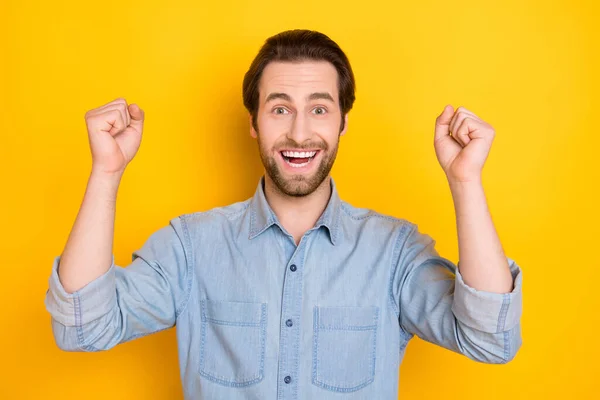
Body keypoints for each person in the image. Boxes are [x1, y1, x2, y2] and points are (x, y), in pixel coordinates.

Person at [44, 29, 523, 399]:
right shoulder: (191, 247)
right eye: (279, 109)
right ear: (253, 122)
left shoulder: (394, 252)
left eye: (319, 109)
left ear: (342, 122)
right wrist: (106, 172)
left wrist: (465, 181)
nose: (298, 133)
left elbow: (489, 340)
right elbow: (82, 328)